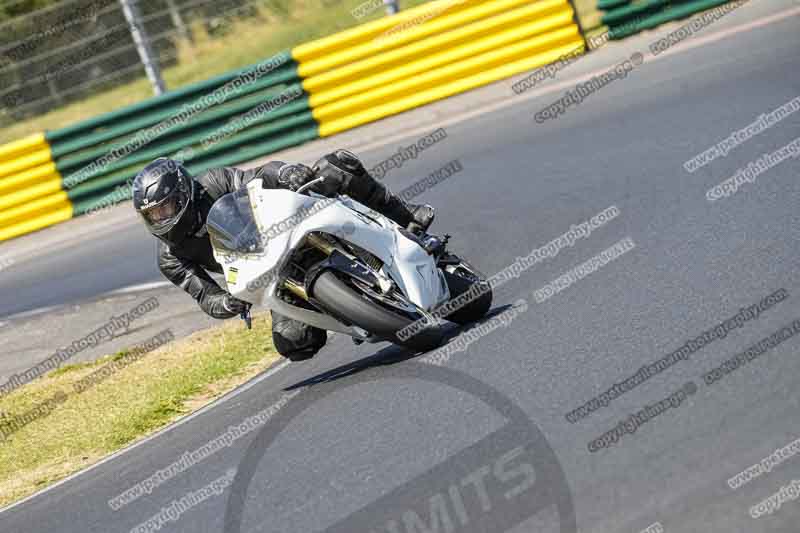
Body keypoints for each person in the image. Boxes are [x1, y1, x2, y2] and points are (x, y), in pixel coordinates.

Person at [132, 150, 435, 361]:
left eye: (165, 208)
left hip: (283, 227)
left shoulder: (213, 183)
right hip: (267, 273)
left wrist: (286, 172)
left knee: (335, 166)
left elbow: (257, 177)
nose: (160, 218)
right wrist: (227, 302)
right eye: (152, 214)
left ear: (183, 194)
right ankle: (353, 309)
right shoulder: (170, 256)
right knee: (295, 343)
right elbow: (205, 297)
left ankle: (405, 218)